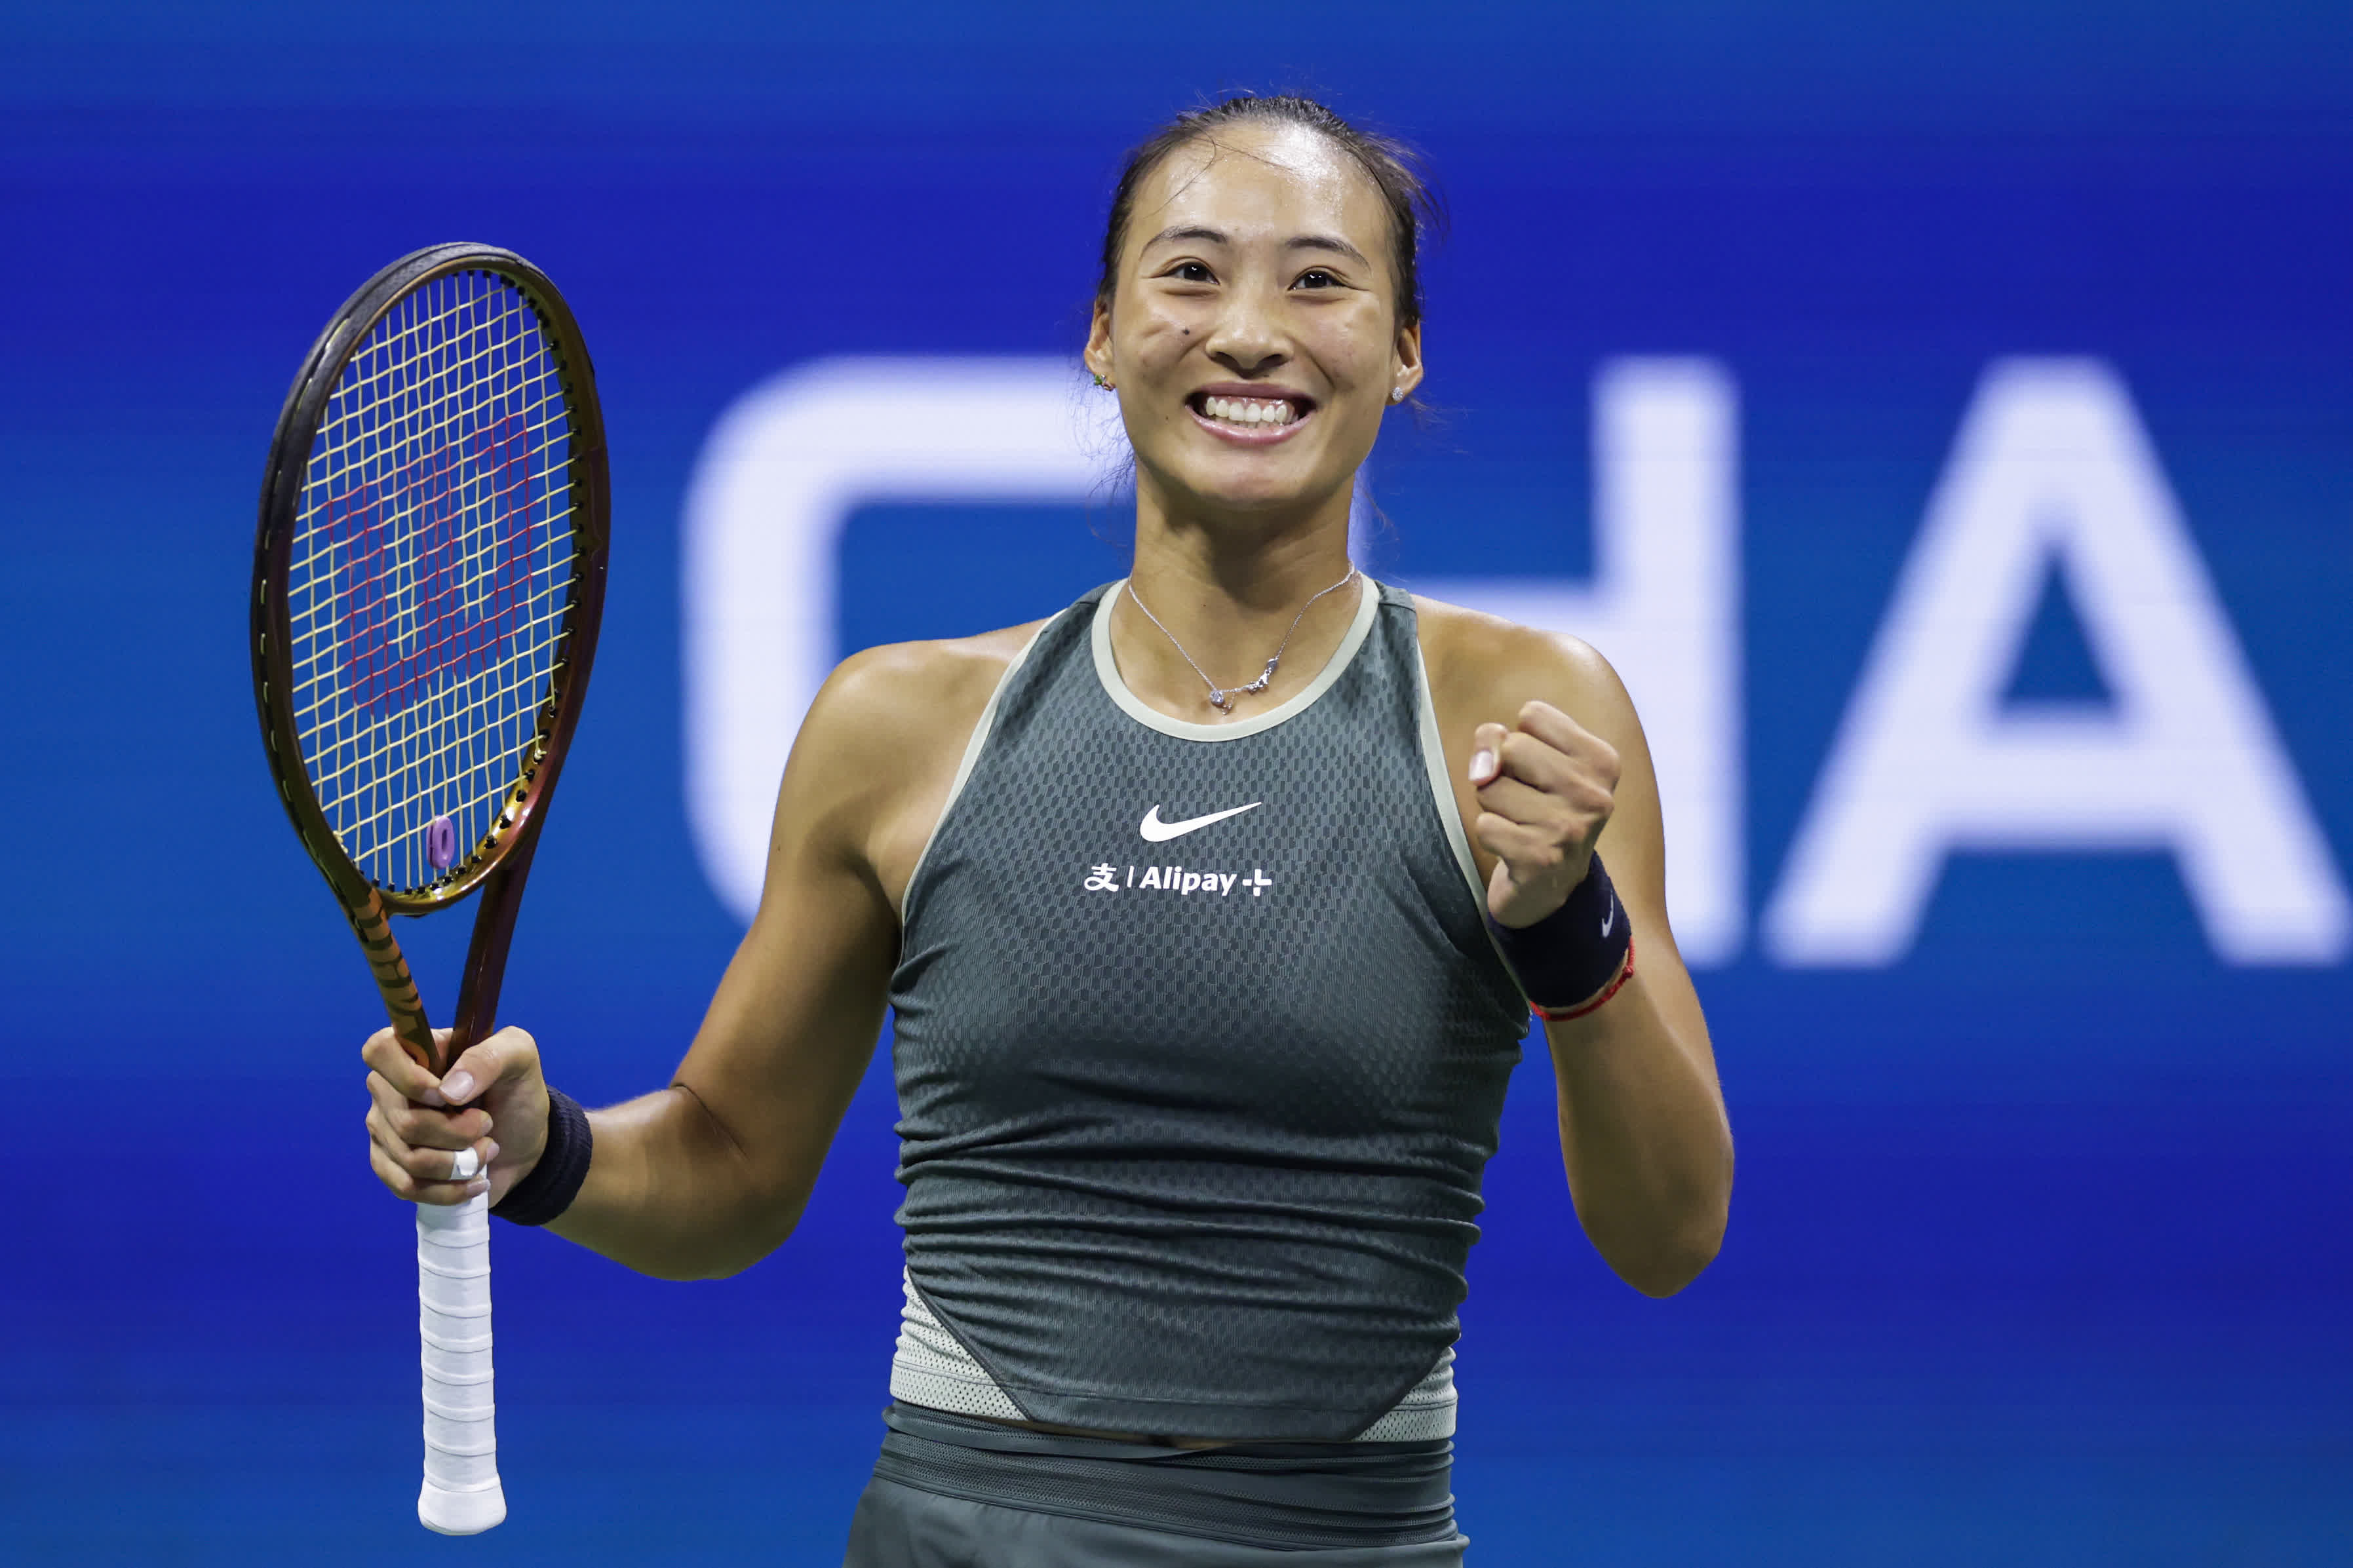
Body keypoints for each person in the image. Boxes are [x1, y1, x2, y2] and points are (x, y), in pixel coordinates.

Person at [364, 93, 1733, 1565]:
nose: (1250, 333)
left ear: (1403, 349)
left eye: (1318, 281)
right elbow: (732, 1168)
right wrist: (544, 1149)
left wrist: (1568, 928)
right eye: (1191, 273)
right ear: (1102, 333)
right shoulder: (898, 727)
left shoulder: (1521, 715)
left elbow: (1667, 1236)